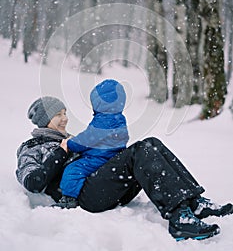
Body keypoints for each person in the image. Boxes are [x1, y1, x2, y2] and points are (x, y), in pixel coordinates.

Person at [16, 92, 233, 242]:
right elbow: (33, 182)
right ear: (45, 120)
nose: (65, 119)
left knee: (150, 144)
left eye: (65, 113)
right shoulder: (31, 148)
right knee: (139, 151)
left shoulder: (72, 139)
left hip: (103, 186)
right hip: (82, 197)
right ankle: (179, 220)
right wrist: (61, 151)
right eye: (59, 115)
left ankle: (193, 202)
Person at [59, 79, 129, 206]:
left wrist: (70, 144)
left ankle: (69, 198)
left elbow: (86, 139)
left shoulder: (103, 121)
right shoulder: (119, 118)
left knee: (74, 169)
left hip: (100, 158)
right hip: (112, 156)